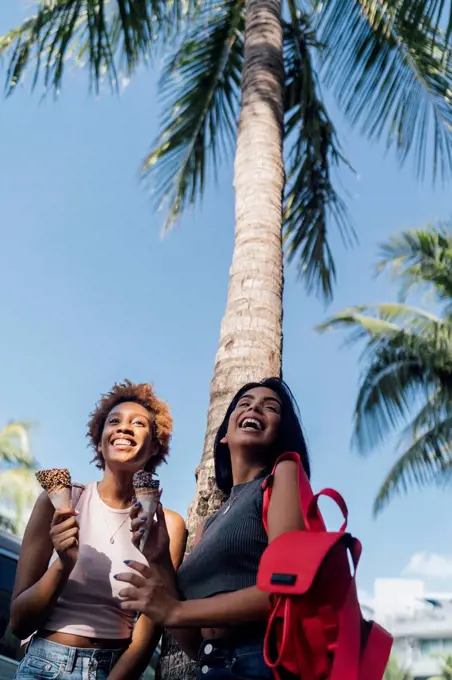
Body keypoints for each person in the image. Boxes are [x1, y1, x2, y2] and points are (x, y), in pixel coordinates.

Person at [116, 377, 309, 680]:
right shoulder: (210, 522)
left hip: (259, 662)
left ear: (280, 433)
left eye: (270, 407)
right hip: (211, 665)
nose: (255, 406)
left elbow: (284, 589)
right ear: (224, 436)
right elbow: (194, 645)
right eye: (244, 404)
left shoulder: (282, 475)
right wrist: (160, 558)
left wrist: (174, 612)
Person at [10, 380, 186, 680]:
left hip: (112, 670)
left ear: (155, 445)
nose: (124, 428)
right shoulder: (64, 502)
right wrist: (63, 565)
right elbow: (18, 623)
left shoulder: (166, 525)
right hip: (44, 665)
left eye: (138, 423)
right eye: (113, 421)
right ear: (100, 439)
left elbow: (150, 625)